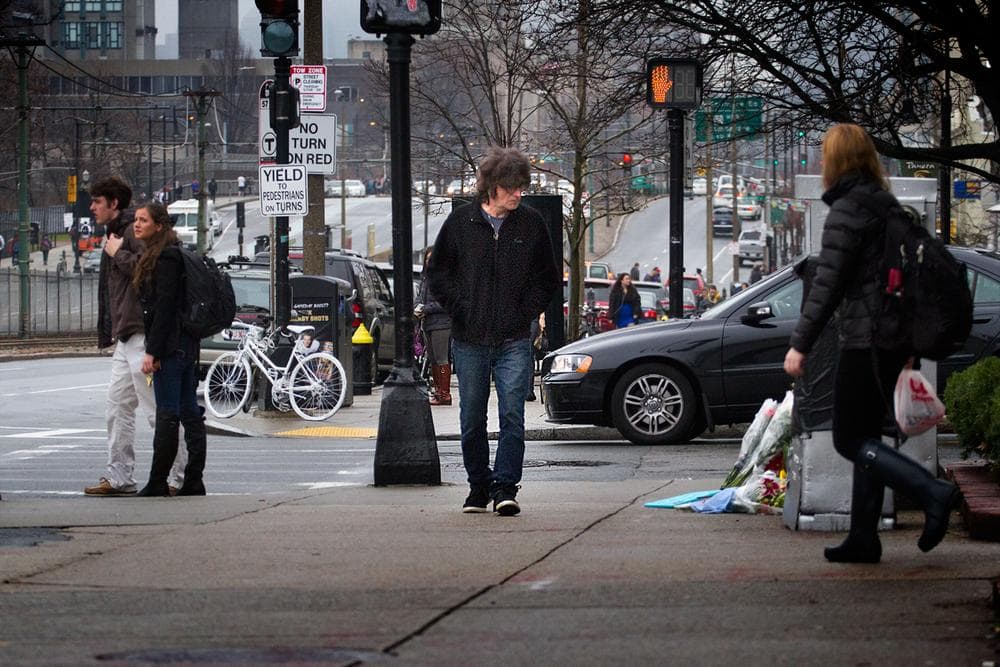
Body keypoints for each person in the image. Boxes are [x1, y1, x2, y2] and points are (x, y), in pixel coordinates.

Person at [783, 123, 960, 564]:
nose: (821, 162)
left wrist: (800, 344)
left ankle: (930, 490)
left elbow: (827, 284)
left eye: (825, 154)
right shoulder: (886, 206)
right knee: (868, 436)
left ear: (838, 161)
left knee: (848, 439)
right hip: (894, 338)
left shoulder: (847, 210)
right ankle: (864, 537)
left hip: (867, 339)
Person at [427, 145, 559, 516]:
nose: (519, 193)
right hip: (469, 338)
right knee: (471, 418)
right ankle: (477, 487)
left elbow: (546, 279)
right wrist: (460, 308)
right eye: (512, 187)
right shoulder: (460, 224)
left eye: (522, 187)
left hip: (514, 338)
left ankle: (505, 487)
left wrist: (525, 313)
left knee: (513, 415)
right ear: (492, 186)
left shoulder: (531, 224)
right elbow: (438, 273)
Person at [86, 177, 186, 496]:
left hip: (142, 336)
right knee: (117, 406)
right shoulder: (117, 232)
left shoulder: (133, 231)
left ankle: (176, 476)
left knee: (156, 409)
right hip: (126, 335)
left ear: (113, 203)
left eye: (97, 202)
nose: (92, 208)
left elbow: (152, 271)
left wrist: (118, 254)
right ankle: (119, 475)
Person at [132, 202, 207, 497]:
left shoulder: (165, 259)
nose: (137, 225)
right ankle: (193, 480)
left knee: (168, 413)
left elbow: (163, 310)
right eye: (136, 220)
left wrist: (152, 351)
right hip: (187, 345)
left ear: (159, 226)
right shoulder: (177, 254)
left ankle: (157, 481)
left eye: (143, 220)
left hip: (172, 348)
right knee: (189, 411)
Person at [415, 248, 453, 406]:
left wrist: (425, 308)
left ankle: (444, 393)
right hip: (428, 322)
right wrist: (417, 307)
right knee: (433, 358)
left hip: (442, 323)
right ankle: (438, 390)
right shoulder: (426, 278)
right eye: (427, 259)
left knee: (441, 358)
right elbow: (420, 297)